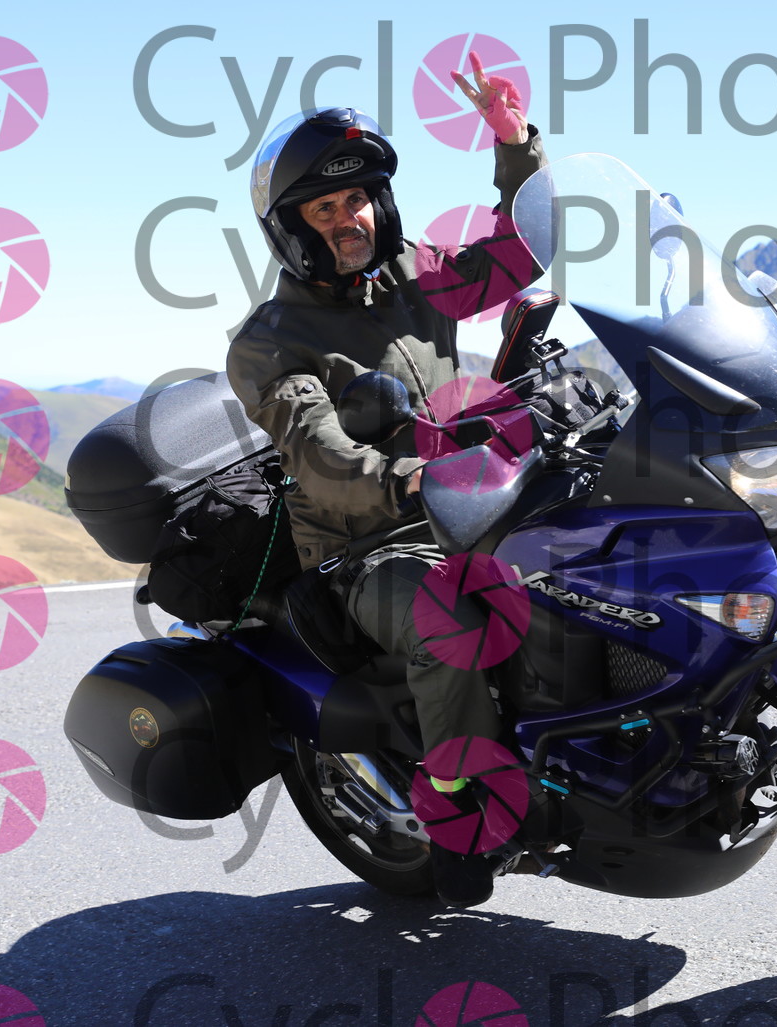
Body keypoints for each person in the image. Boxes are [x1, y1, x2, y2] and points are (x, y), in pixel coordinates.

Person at [226, 58, 546, 907]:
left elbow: (518, 254)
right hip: (369, 548)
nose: (349, 219)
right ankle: (459, 814)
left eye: (358, 198)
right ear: (293, 228)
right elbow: (322, 458)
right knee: (451, 615)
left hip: (476, 502)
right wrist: (417, 479)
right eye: (325, 209)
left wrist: (514, 144)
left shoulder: (415, 272)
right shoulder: (270, 341)